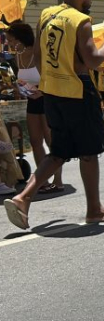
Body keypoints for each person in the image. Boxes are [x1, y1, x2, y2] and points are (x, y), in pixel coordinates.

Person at [4, 0, 104, 229]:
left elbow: (36, 58)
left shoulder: (46, 15)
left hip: (52, 94)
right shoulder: (81, 21)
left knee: (58, 152)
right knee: (89, 152)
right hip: (78, 92)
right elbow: (92, 60)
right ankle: (94, 210)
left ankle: (22, 198)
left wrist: (47, 84)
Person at [5, 21, 64, 195]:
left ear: (19, 39)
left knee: (51, 140)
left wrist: (41, 91)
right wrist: (20, 88)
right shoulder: (17, 57)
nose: (8, 43)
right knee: (35, 141)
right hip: (32, 100)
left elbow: (50, 79)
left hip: (46, 100)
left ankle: (58, 180)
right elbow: (23, 80)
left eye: (10, 40)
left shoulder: (37, 54)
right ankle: (43, 180)